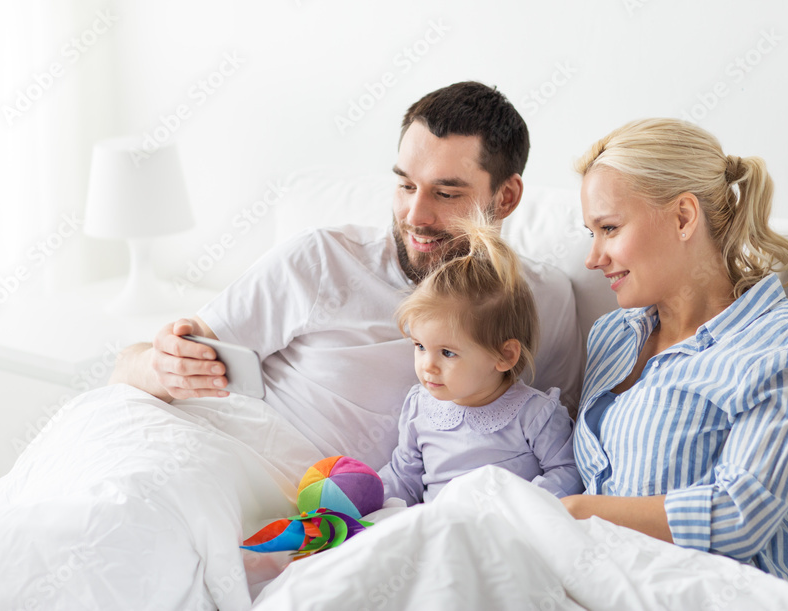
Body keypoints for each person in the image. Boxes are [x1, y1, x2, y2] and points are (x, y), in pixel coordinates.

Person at [111, 81, 582, 470]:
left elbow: (551, 436)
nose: (415, 215)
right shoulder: (321, 261)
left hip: (382, 517)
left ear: (506, 198)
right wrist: (161, 364)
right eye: (405, 185)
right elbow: (129, 365)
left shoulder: (543, 301)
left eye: (445, 193)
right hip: (245, 466)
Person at [562, 118, 788, 598]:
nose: (594, 257)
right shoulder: (613, 337)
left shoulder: (786, 354)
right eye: (591, 232)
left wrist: (578, 512)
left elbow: (738, 515)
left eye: (608, 228)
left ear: (684, 217)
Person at [378, 216, 583, 505]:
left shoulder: (535, 415)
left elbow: (568, 471)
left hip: (503, 529)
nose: (428, 365)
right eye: (420, 346)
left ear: (504, 356)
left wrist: (525, 507)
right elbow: (404, 476)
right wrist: (364, 501)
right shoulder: (419, 407)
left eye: (447, 352)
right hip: (438, 528)